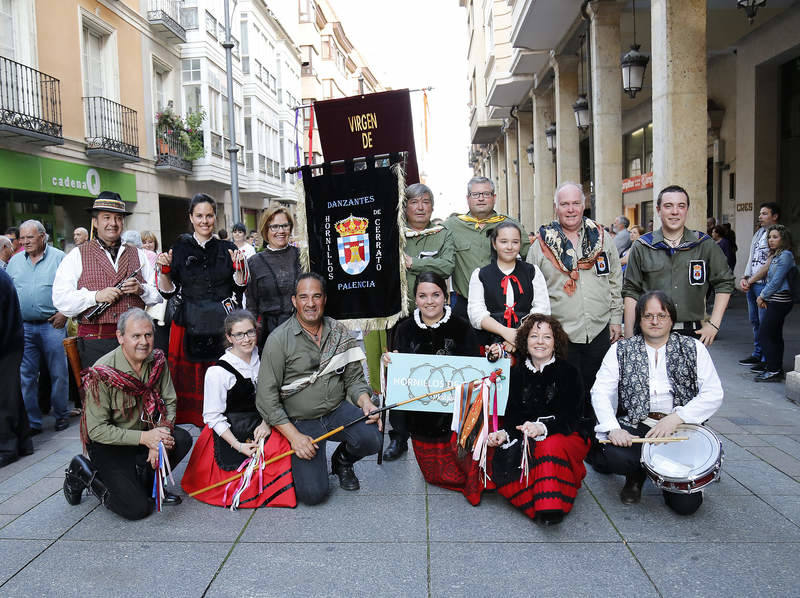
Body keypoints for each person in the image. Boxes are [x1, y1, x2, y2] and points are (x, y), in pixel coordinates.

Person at [591, 291, 723, 515]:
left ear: (671, 318)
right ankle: (636, 475)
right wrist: (613, 428)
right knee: (613, 455)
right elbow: (600, 391)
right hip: (637, 423)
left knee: (686, 507)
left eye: (661, 316)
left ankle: (669, 474)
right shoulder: (621, 349)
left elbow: (713, 393)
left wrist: (677, 418)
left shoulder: (693, 347)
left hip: (680, 426)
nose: (654, 321)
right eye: (648, 316)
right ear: (639, 319)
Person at [256, 273, 382, 505]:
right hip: (301, 422)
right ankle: (306, 466)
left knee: (373, 437)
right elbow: (266, 398)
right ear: (294, 301)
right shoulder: (278, 339)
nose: (310, 303)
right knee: (313, 495)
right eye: (303, 297)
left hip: (337, 411)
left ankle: (342, 461)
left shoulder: (338, 331)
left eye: (316, 296)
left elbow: (354, 378)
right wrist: (294, 438)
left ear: (324, 299)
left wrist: (366, 403)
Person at [62, 308, 191, 519]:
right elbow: (97, 431)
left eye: (148, 335)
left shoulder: (157, 361)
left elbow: (169, 401)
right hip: (111, 445)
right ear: (120, 337)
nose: (144, 341)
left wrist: (159, 437)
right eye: (136, 336)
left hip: (145, 435)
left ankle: (149, 485)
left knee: (182, 438)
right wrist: (146, 438)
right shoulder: (102, 372)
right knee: (136, 510)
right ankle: (83, 472)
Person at [382, 271, 484, 503]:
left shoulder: (462, 326)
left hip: (455, 414)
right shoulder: (405, 328)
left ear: (446, 296)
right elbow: (401, 374)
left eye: (436, 295)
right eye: (423, 295)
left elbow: (473, 370)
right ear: (415, 299)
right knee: (433, 474)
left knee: (465, 470)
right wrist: (391, 361)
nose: (429, 301)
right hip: (421, 416)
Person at [52, 192, 162, 405]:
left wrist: (141, 290)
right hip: (95, 340)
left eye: (118, 218)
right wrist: (95, 296)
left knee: (136, 399)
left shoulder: (137, 255)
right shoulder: (77, 255)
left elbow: (158, 294)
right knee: (101, 401)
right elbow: (60, 299)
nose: (113, 223)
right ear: (95, 221)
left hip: (135, 341)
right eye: (106, 217)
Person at [181, 310, 296, 508]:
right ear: (229, 337)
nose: (246, 339)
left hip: (265, 421)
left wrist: (267, 421)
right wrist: (238, 445)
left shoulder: (265, 358)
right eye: (239, 334)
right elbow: (213, 416)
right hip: (231, 430)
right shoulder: (218, 372)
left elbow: (279, 393)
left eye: (250, 332)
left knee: (287, 453)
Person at [527, 182, 622, 409]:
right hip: (560, 334)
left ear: (583, 205)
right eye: (565, 204)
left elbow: (615, 280)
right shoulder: (541, 244)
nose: (571, 209)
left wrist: (616, 319)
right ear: (556, 208)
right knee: (565, 396)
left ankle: (596, 440)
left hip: (600, 330)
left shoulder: (601, 238)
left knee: (600, 394)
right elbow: (531, 290)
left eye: (576, 203)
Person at [488, 314, 590, 525]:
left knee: (547, 446)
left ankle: (550, 507)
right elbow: (512, 416)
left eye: (547, 337)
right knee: (494, 449)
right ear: (525, 341)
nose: (540, 342)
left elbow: (573, 416)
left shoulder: (569, 372)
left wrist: (542, 427)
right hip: (527, 435)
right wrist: (503, 433)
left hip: (566, 435)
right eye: (534, 336)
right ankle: (537, 500)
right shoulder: (516, 374)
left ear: (556, 342)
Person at [156, 194, 248, 427]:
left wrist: (239, 267)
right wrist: (164, 271)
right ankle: (202, 422)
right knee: (195, 382)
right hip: (190, 322)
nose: (204, 221)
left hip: (223, 323)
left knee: (225, 376)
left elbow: (240, 285)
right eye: (199, 216)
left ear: (215, 218)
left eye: (209, 215)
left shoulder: (228, 248)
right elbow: (167, 292)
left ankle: (226, 420)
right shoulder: (179, 249)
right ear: (191, 217)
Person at [382, 183, 455, 461]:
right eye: (414, 202)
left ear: (432, 207)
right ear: (406, 207)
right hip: (400, 315)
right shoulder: (394, 234)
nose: (421, 207)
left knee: (436, 369)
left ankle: (438, 430)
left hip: (434, 314)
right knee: (399, 376)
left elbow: (447, 266)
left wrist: (415, 264)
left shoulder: (441, 234)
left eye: (426, 202)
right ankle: (398, 437)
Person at [623, 185, 735, 345]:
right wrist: (629, 338)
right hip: (650, 334)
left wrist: (714, 324)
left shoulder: (704, 244)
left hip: (692, 334)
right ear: (658, 210)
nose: (675, 211)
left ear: (687, 209)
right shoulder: (642, 246)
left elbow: (725, 282)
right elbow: (631, 290)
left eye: (681, 206)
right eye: (668, 206)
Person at [7, 220, 70, 434]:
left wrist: (65, 313)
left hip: (52, 325)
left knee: (58, 373)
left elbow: (74, 288)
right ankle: (33, 422)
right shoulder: (15, 262)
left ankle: (61, 415)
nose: (25, 242)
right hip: (24, 328)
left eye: (30, 237)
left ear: (43, 236)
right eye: (22, 238)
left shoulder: (60, 258)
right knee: (26, 376)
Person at [445, 177, 530, 320]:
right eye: (476, 194)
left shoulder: (510, 224)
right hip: (465, 306)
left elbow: (531, 258)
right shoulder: (451, 226)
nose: (481, 199)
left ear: (494, 197)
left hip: (504, 307)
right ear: (468, 198)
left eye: (486, 194)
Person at [468, 221, 550, 352]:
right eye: (504, 241)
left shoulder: (532, 271)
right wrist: (506, 333)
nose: (509, 247)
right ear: (494, 244)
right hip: (490, 342)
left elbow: (542, 309)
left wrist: (519, 336)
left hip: (528, 338)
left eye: (515, 242)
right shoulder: (480, 275)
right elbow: (476, 315)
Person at [245, 206, 301, 352]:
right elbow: (251, 306)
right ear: (265, 229)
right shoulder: (254, 263)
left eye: (284, 225)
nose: (280, 231)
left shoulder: (302, 256)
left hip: (303, 332)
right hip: (270, 336)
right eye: (274, 226)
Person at [745, 225, 795, 382]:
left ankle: (772, 369)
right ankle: (775, 368)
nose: (771, 240)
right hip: (774, 299)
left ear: (783, 239)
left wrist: (762, 296)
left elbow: (776, 280)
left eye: (775, 237)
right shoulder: (776, 255)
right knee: (774, 334)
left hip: (780, 300)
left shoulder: (786, 255)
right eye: (769, 237)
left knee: (764, 333)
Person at [739, 202, 781, 367]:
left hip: (764, 285)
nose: (760, 216)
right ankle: (757, 353)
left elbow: (770, 263)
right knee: (755, 321)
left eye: (764, 213)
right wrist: (745, 276)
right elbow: (752, 257)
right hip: (752, 283)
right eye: (760, 213)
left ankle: (766, 359)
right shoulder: (759, 233)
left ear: (775, 216)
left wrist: (751, 280)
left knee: (766, 324)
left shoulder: (777, 235)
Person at [0, 269, 34, 467]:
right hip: (10, 343)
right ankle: (23, 442)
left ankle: (7, 448)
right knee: (11, 396)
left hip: (6, 346)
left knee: (4, 400)